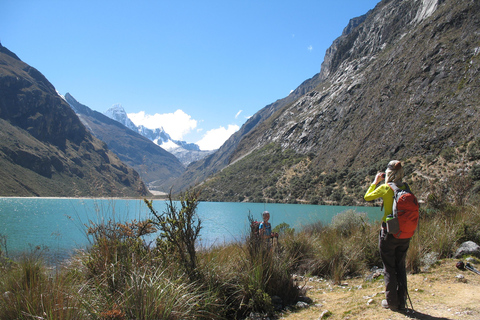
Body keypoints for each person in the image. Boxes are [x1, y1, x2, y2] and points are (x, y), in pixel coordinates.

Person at [364, 160, 411, 311]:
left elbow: (367, 197)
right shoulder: (406, 188)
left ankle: (391, 302)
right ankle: (402, 301)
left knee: (389, 268)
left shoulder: (386, 188)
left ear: (388, 174)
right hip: (405, 234)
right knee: (400, 266)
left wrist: (375, 181)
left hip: (389, 233)